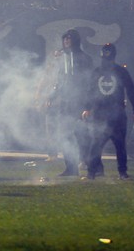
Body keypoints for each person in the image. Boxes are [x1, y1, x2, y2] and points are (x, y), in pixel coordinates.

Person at [36, 29, 93, 176]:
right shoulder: (63, 59)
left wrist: (87, 104)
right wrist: (51, 96)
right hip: (66, 102)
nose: (67, 41)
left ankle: (86, 161)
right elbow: (60, 81)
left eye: (69, 39)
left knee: (81, 133)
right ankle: (71, 167)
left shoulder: (84, 58)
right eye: (65, 39)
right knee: (65, 134)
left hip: (79, 101)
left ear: (75, 40)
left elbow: (89, 82)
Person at [82, 43, 134, 180]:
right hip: (100, 114)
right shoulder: (98, 72)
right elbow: (90, 91)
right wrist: (87, 108)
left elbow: (131, 90)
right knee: (96, 144)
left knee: (118, 145)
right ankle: (92, 172)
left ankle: (122, 172)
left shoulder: (120, 71)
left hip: (116, 114)